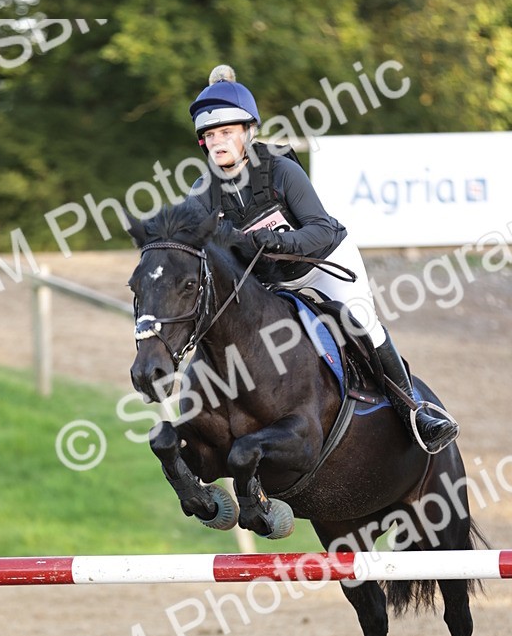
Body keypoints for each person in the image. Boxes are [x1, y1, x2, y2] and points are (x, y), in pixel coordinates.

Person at [188, 65, 459, 454]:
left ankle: (415, 412)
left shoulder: (281, 170)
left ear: (249, 133)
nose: (217, 142)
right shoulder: (203, 193)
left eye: (226, 132)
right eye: (210, 135)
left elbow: (320, 229)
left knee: (362, 319)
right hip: (272, 282)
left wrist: (266, 241)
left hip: (322, 265)